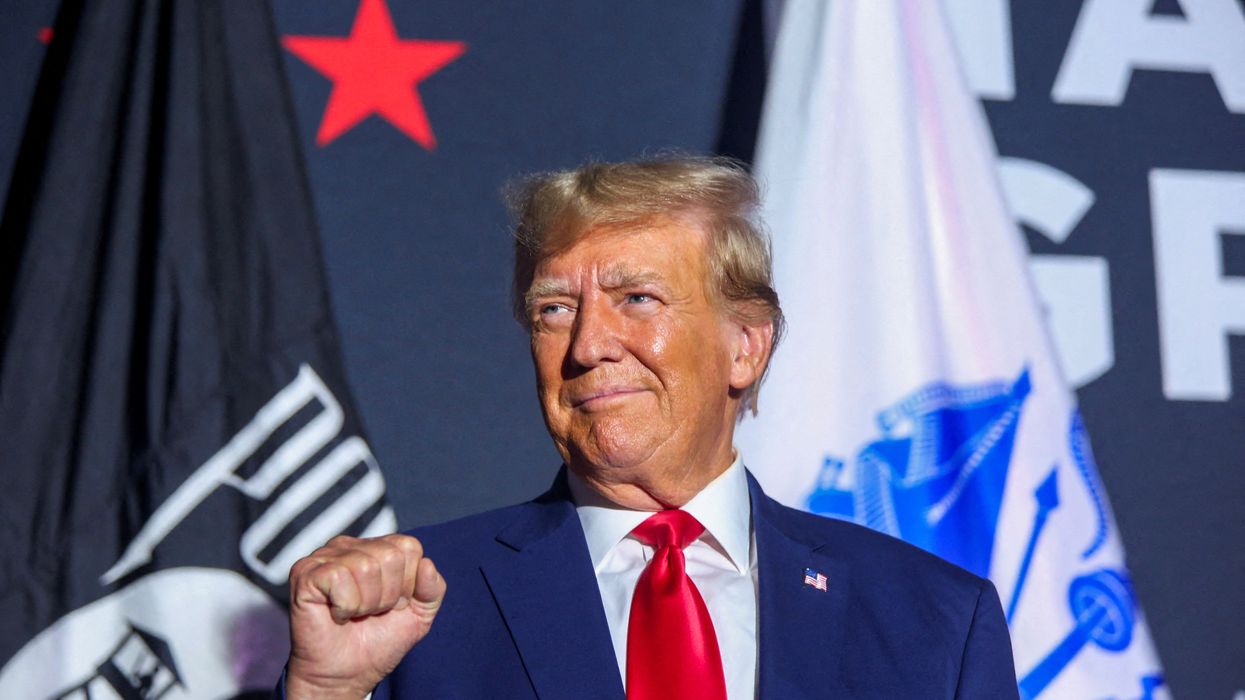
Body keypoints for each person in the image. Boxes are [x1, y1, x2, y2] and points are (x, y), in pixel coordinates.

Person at [281, 156, 1019, 699]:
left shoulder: (932, 620)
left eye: (635, 298)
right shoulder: (419, 607)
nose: (587, 346)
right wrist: (324, 694)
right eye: (554, 310)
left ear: (745, 345)